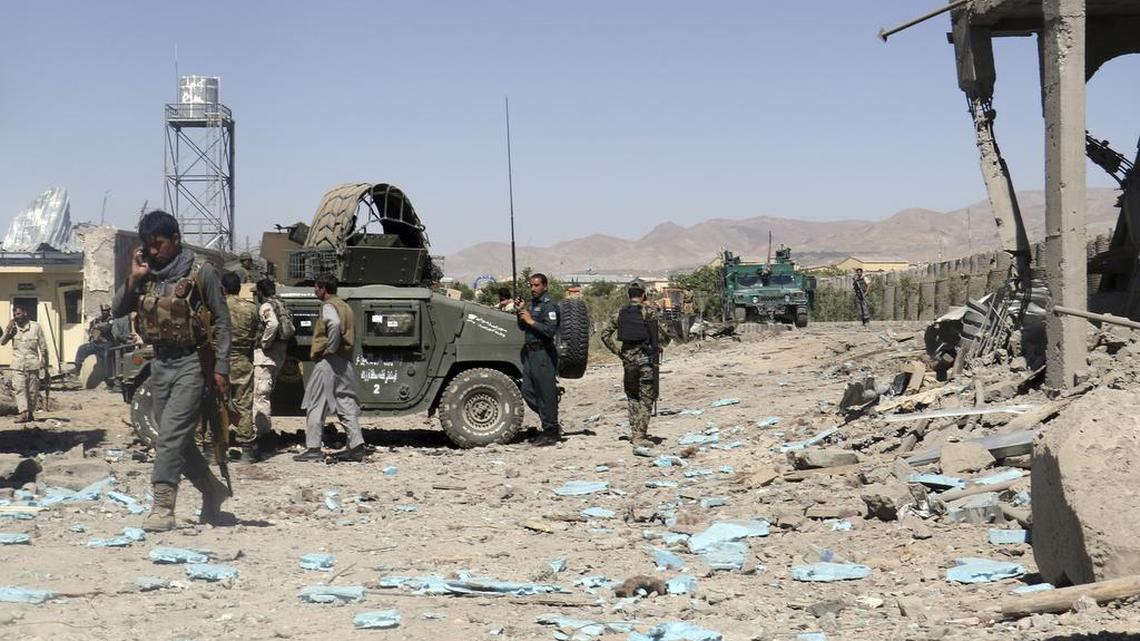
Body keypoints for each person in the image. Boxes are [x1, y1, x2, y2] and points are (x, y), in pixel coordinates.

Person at [112, 210, 232, 532]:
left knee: (169, 437)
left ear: (176, 240)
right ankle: (211, 489)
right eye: (148, 245)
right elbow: (118, 309)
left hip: (192, 363)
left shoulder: (200, 272)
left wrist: (221, 368)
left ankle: (163, 506)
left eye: (159, 243)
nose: (153, 251)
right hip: (159, 363)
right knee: (170, 439)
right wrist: (134, 277)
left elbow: (222, 321)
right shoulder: (148, 273)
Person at [295, 272, 367, 463]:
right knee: (346, 403)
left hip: (329, 362)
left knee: (315, 402)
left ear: (324, 289)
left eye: (316, 288)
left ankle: (313, 448)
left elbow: (333, 324)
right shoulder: (346, 306)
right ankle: (357, 446)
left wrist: (330, 348)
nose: (314, 291)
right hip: (344, 362)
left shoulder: (329, 306)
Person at [601, 281, 666, 449]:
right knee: (646, 397)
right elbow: (665, 335)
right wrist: (658, 348)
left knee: (632, 395)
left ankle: (634, 431)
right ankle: (640, 434)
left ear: (629, 296)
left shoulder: (619, 313)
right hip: (646, 360)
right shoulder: (649, 312)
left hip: (628, 361)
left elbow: (605, 335)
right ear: (643, 295)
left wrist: (617, 351)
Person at [515, 273, 561, 445]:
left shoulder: (549, 306)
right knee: (527, 390)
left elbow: (550, 331)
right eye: (531, 285)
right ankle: (549, 419)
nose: (533, 288)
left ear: (545, 286)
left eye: (536, 285)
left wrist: (530, 321)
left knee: (545, 393)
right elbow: (521, 326)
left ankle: (551, 431)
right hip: (530, 354)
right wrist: (520, 311)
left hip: (543, 354)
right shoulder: (532, 305)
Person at [220, 271, 262, 461]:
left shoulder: (218, 307)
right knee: (244, 405)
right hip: (243, 360)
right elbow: (258, 333)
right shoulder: (251, 308)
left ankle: (215, 447)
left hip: (220, 360)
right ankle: (246, 448)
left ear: (223, 288)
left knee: (217, 403)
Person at [251, 278, 288, 460]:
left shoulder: (266, 306)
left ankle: (264, 440)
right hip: (277, 355)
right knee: (264, 394)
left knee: (260, 397)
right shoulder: (281, 303)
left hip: (266, 357)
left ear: (260, 291)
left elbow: (272, 324)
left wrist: (264, 342)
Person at [1, 305, 48, 423]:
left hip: (33, 365)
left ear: (25, 313)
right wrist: (8, 330)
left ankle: (30, 413)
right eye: (15, 315)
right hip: (18, 366)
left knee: (33, 391)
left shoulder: (36, 327)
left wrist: (44, 363)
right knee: (19, 389)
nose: (17, 317)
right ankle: (23, 413)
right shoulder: (13, 328)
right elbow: (2, 342)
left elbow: (43, 347)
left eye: (18, 314)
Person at [74, 304, 113, 368]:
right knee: (82, 348)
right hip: (97, 343)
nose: (104, 312)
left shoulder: (111, 319)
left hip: (107, 343)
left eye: (106, 310)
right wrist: (93, 329)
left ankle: (107, 373)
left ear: (109, 311)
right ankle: (77, 367)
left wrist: (98, 326)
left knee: (106, 356)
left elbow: (107, 328)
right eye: (102, 310)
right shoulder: (98, 319)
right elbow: (92, 327)